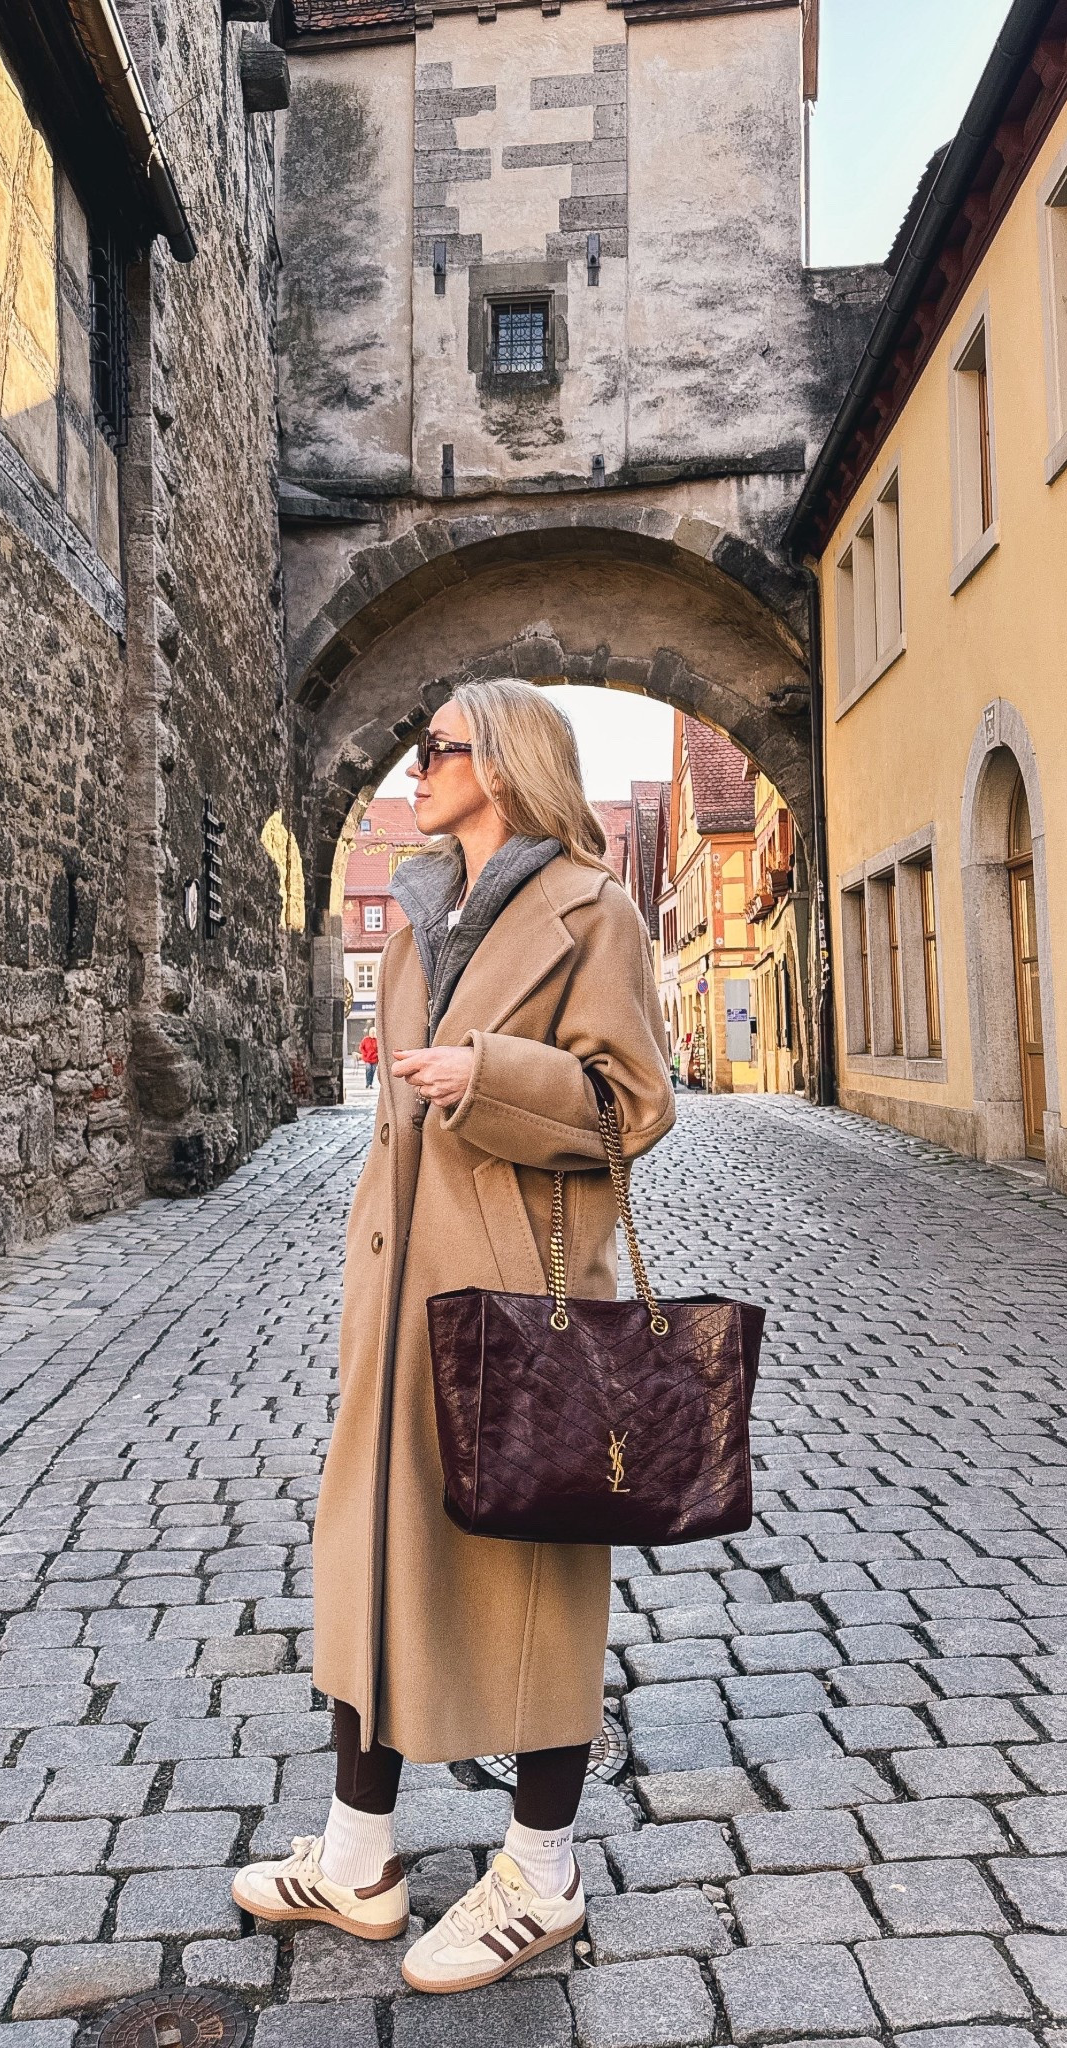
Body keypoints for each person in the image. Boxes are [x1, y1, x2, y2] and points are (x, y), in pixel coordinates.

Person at [232, 679, 675, 1994]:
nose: (416, 767)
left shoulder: (597, 913)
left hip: (521, 1296)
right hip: (398, 1294)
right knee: (371, 1555)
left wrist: (496, 1078)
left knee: (531, 1578)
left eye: (440, 749)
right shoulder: (421, 914)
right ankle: (360, 1854)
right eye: (419, 748)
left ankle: (540, 1873)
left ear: (513, 763)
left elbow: (632, 1104)